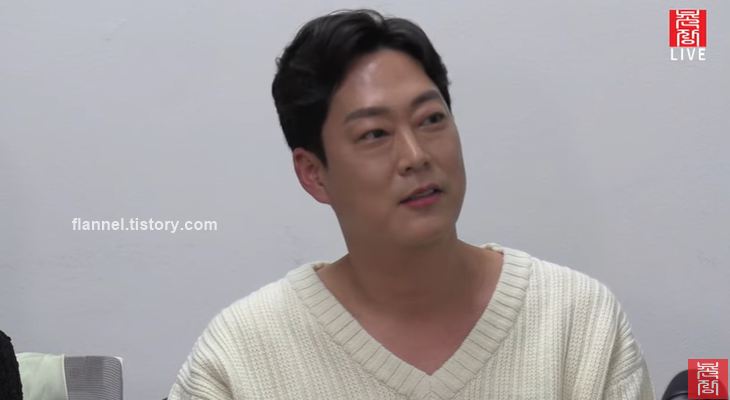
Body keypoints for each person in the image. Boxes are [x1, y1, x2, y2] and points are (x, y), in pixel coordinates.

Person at [168, 8, 655, 400]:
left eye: (430, 120)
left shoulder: (576, 321)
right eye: (374, 134)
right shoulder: (240, 357)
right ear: (313, 174)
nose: (415, 155)